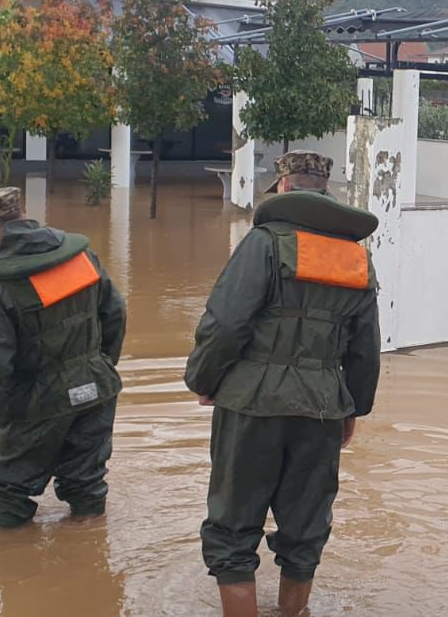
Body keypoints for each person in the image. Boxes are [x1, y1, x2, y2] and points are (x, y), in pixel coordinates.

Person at [185, 151, 382, 617]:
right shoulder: (356, 259)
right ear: (326, 191)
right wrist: (352, 409)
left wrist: (204, 378)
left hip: (252, 404)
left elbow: (226, 323)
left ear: (285, 188)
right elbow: (365, 347)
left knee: (233, 526)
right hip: (321, 410)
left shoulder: (264, 242)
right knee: (306, 524)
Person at [0, 186, 127, 529]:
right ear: (22, 217)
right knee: (87, 485)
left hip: (41, 402)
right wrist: (98, 367)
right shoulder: (81, 258)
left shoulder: (0, 289)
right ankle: (89, 560)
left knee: (9, 491)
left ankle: (12, 567)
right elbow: (114, 313)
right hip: (96, 391)